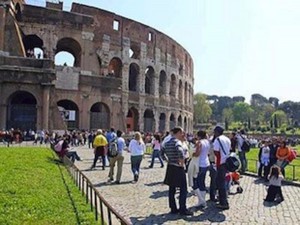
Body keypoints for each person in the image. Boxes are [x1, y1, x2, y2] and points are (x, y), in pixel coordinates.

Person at [161, 127, 193, 216]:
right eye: (182, 133)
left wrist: (167, 160)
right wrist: (182, 163)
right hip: (178, 167)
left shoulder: (166, 143)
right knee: (183, 189)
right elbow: (180, 152)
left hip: (170, 166)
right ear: (178, 132)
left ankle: (173, 208)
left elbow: (161, 153)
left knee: (172, 189)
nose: (183, 134)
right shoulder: (177, 142)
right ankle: (183, 209)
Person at [213, 125, 231, 210]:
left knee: (221, 183)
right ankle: (222, 199)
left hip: (220, 163)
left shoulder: (217, 140)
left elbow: (216, 152)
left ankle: (223, 202)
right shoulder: (227, 139)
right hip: (226, 162)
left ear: (216, 132)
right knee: (221, 181)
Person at [192, 130, 210, 208]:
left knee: (195, 182)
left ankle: (202, 200)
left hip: (200, 164)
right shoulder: (207, 142)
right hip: (206, 163)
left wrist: (192, 153)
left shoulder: (199, 143)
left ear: (199, 136)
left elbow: (197, 153)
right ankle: (201, 200)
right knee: (202, 182)